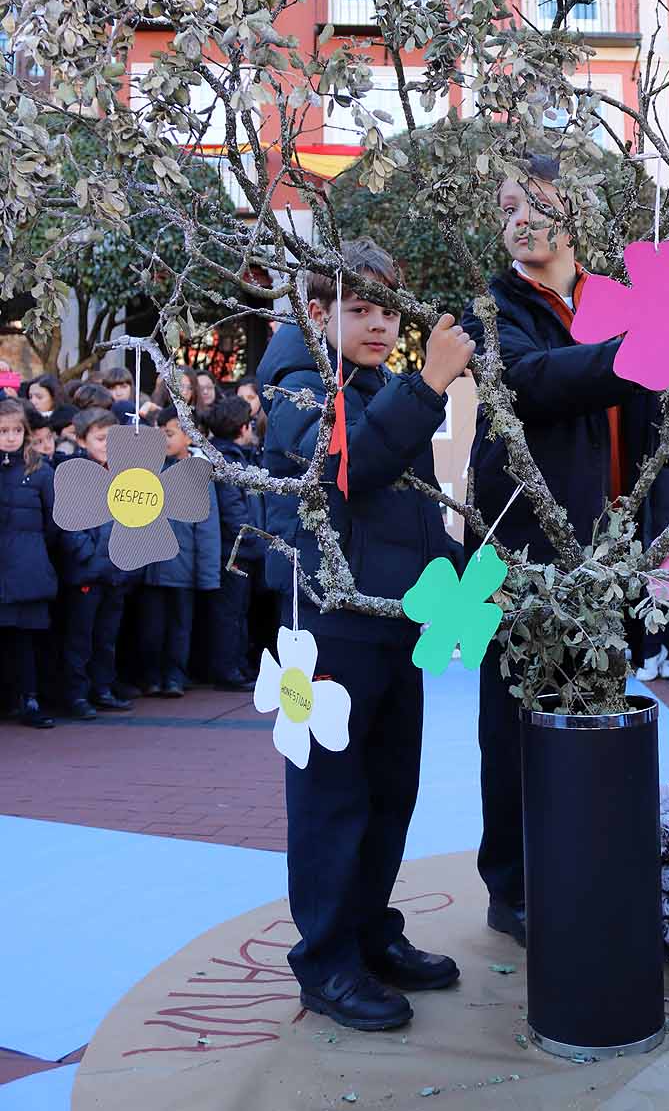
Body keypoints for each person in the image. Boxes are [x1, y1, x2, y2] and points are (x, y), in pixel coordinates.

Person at [462, 155, 669, 945]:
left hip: (612, 546)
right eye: (504, 208)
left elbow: (656, 419)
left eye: (532, 203)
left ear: (572, 215)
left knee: (597, 701)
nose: (517, 219)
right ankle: (514, 884)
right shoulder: (495, 306)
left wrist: (666, 528)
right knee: (515, 716)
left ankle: (587, 859)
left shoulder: (619, 300)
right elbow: (533, 381)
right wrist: (639, 345)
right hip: (523, 547)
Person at [257, 238, 473, 1032]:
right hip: (333, 625)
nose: (381, 325)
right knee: (331, 801)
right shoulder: (300, 387)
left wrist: (464, 569)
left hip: (391, 621)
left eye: (388, 310)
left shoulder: (374, 382)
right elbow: (356, 467)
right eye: (359, 310)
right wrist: (428, 384)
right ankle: (326, 960)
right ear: (317, 313)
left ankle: (368, 933)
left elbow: (403, 513)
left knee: (389, 793)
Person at [55, 408, 136, 719]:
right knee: (80, 638)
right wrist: (89, 556)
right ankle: (76, 694)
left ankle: (102, 687)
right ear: (81, 440)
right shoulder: (73, 473)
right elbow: (69, 524)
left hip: (115, 569)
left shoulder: (124, 474)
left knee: (106, 636)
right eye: (101, 438)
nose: (108, 445)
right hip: (87, 571)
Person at [138, 405, 220, 697]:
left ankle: (174, 676)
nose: (164, 439)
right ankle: (151, 675)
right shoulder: (148, 469)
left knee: (179, 628)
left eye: (170, 433)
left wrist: (207, 576)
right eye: (160, 433)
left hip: (183, 566)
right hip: (152, 566)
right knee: (151, 628)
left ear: (188, 436)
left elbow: (208, 529)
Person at [0, 399, 58, 728]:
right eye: (3, 431)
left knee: (25, 640)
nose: (10, 437)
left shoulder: (39, 471)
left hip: (26, 567)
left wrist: (33, 551)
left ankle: (30, 699)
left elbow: (53, 523)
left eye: (16, 430)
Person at [206, 396, 263, 691]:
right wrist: (257, 540)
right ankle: (229, 669)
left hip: (241, 549)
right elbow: (235, 512)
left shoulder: (237, 457)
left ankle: (238, 665)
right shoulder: (228, 461)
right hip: (235, 550)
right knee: (230, 613)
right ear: (242, 427)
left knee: (238, 612)